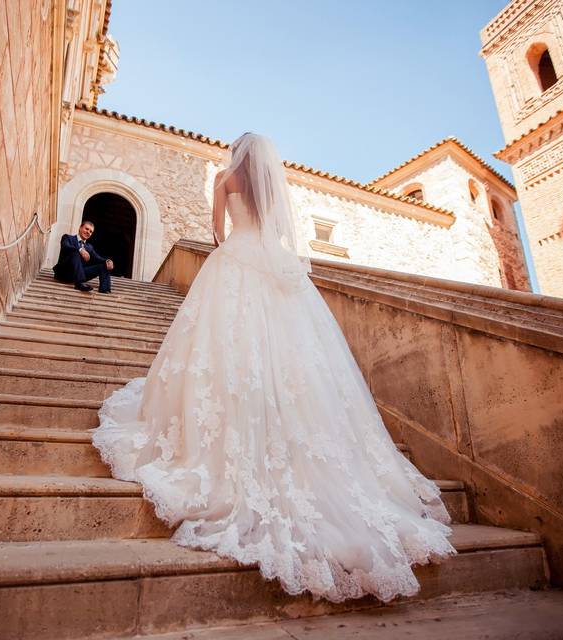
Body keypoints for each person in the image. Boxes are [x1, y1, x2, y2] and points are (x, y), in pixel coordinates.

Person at [92, 133, 455, 603]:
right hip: (273, 263)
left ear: (237, 153)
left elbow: (217, 230)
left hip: (235, 260)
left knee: (226, 345)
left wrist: (232, 239)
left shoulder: (224, 178)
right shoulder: (268, 184)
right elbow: (278, 229)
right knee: (291, 361)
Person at [53, 221, 114, 292]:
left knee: (104, 264)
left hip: (78, 274)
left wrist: (108, 261)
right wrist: (80, 250)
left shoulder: (89, 247)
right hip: (64, 273)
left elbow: (98, 258)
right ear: (80, 228)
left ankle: (105, 289)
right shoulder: (67, 237)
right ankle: (79, 283)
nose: (88, 232)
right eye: (86, 229)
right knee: (75, 252)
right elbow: (65, 247)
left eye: (91, 231)